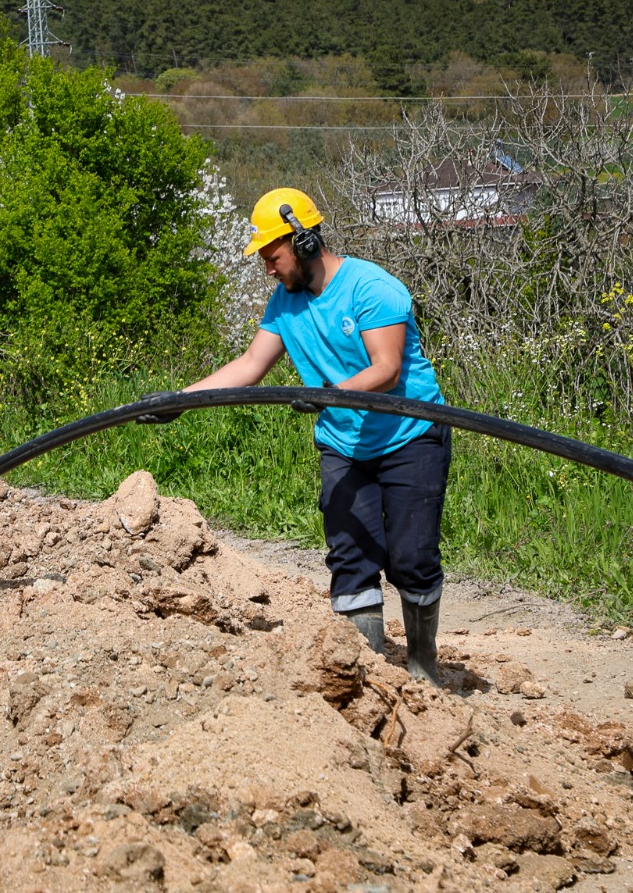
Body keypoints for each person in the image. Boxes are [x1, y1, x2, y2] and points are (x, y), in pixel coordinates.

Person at [174, 187, 451, 685]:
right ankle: (367, 681)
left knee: (412, 559)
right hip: (343, 443)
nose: (268, 269)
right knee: (351, 558)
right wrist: (179, 400)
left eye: (272, 256)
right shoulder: (284, 304)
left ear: (303, 242)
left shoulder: (372, 288)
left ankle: (423, 669)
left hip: (410, 434)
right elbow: (250, 365)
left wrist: (330, 394)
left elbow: (386, 370)